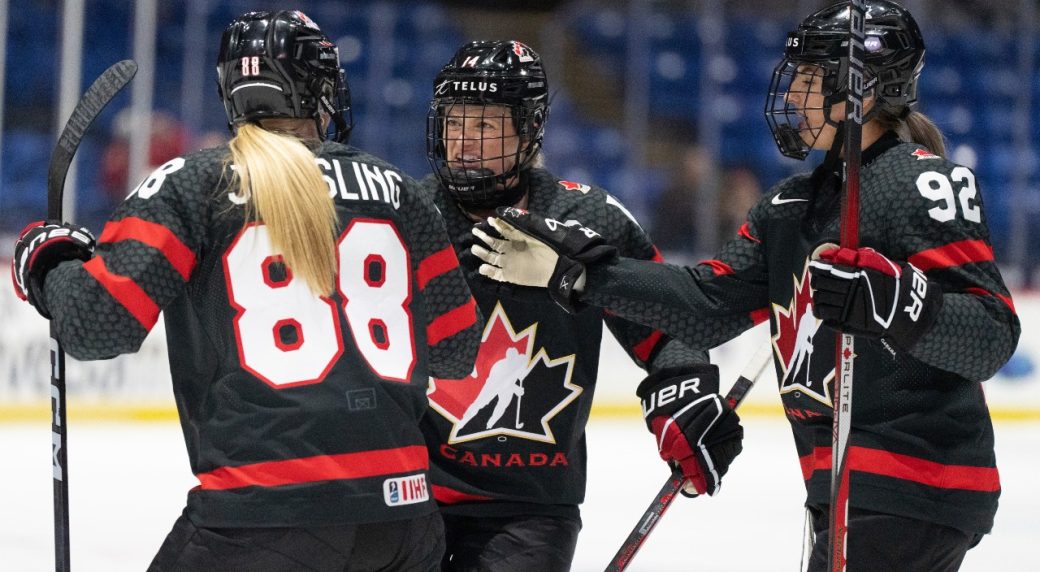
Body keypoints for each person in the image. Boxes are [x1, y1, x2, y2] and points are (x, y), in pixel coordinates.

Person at [471, 2, 1020, 571]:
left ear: (862, 88)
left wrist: (894, 299)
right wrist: (583, 276)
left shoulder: (915, 181)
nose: (793, 95)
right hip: (847, 491)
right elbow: (706, 306)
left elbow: (991, 336)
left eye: (810, 79)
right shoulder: (794, 206)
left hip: (916, 483)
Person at [11, 10, 483, 571]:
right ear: (320, 90)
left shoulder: (193, 184)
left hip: (262, 520)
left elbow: (97, 326)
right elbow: (457, 354)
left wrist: (49, 261)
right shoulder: (400, 191)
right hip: (405, 524)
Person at [420, 40, 742, 571]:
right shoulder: (409, 215)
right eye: (455, 124)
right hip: (414, 493)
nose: (464, 144)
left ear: (527, 132)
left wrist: (685, 389)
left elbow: (666, 322)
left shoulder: (588, 217)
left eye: (485, 127)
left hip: (531, 504)